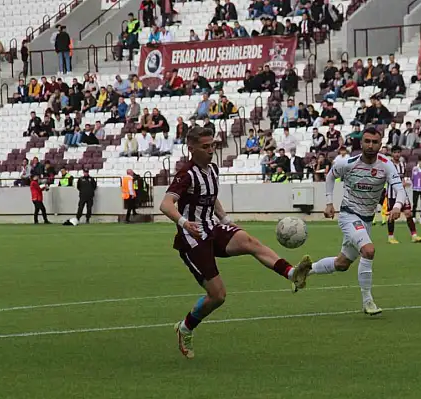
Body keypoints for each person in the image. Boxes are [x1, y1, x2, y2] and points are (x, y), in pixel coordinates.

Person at [159, 127, 312, 359]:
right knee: (218, 296)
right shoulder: (186, 174)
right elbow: (166, 204)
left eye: (212, 146)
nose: (211, 151)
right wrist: (184, 223)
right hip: (193, 239)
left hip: (212, 228)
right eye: (205, 147)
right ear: (191, 148)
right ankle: (185, 328)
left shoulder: (211, 170)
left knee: (249, 241)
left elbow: (211, 196)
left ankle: (292, 273)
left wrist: (225, 219)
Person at [307, 127, 406, 316]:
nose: (370, 145)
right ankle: (368, 301)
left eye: (374, 142)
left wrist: (397, 206)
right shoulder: (348, 163)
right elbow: (330, 176)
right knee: (368, 250)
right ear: (361, 143)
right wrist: (329, 202)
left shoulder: (386, 165)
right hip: (349, 215)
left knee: (342, 264)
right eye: (367, 141)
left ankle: (305, 270)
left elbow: (399, 189)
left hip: (366, 220)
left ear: (380, 144)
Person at [386, 147, 421, 244]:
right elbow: (386, 178)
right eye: (395, 152)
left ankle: (414, 235)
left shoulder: (403, 164)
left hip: (402, 193)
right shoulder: (388, 165)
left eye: (399, 152)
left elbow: (403, 177)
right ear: (392, 154)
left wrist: (405, 182)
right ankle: (391, 237)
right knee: (392, 215)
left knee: (408, 213)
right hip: (392, 194)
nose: (397, 154)